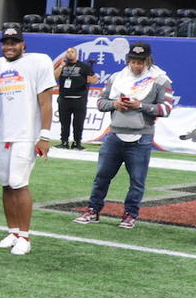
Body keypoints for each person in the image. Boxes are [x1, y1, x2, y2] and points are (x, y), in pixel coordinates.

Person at [73, 41, 174, 229]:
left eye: (140, 62)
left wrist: (140, 106)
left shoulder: (160, 79)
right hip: (115, 134)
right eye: (133, 61)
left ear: (148, 61)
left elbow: (166, 108)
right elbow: (101, 103)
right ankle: (93, 210)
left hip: (141, 137)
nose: (136, 65)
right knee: (102, 176)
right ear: (128, 59)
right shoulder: (117, 78)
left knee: (137, 180)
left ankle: (130, 214)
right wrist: (115, 104)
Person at [0, 26, 57, 255]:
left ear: (23, 44)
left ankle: (25, 236)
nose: (9, 46)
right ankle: (12, 231)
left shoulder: (38, 62)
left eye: (14, 42)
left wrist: (44, 135)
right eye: (6, 42)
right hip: (3, 133)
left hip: (26, 134)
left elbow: (45, 102)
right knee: (5, 183)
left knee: (18, 182)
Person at [53, 46, 96, 148]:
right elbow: (54, 76)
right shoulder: (62, 66)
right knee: (64, 123)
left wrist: (86, 80)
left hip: (79, 99)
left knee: (78, 123)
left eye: (72, 52)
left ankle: (77, 142)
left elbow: (94, 78)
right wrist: (60, 66)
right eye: (68, 52)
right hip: (64, 99)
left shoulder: (84, 66)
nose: (70, 54)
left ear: (76, 54)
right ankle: (64, 142)